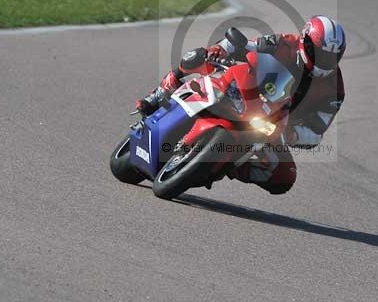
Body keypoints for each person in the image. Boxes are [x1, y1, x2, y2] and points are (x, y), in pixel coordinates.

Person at [136, 16, 347, 195]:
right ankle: (164, 88)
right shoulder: (285, 43)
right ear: (305, 42)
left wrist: (292, 135)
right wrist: (221, 49)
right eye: (319, 52)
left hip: (275, 125)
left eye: (331, 56)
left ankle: (230, 165)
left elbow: (317, 130)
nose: (324, 59)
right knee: (202, 56)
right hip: (249, 93)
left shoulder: (334, 90)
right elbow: (248, 45)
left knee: (285, 176)